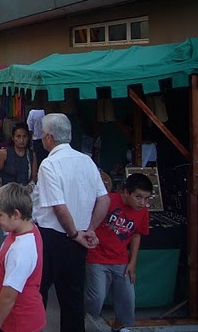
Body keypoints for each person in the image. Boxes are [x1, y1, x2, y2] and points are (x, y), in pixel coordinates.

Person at [34, 113, 110, 332]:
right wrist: (89, 230)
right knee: (73, 298)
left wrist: (75, 233)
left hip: (54, 237)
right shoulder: (86, 160)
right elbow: (103, 199)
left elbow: (59, 206)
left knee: (39, 292)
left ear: (49, 137)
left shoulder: (50, 165)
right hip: (79, 236)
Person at [86, 173, 153, 332]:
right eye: (138, 197)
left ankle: (119, 327)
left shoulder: (143, 212)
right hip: (97, 257)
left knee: (128, 299)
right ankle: (85, 320)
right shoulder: (107, 200)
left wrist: (133, 262)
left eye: (146, 199)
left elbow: (137, 235)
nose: (142, 203)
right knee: (96, 297)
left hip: (121, 260)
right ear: (126, 192)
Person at [0, 183, 46, 332]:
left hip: (18, 324)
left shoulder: (21, 250)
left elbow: (8, 297)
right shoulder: (24, 229)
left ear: (16, 214)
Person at [0, 123, 38, 190]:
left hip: (25, 194)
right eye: (18, 136)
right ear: (13, 137)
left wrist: (30, 187)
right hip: (7, 194)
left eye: (24, 136)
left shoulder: (31, 155)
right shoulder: (4, 154)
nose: (21, 140)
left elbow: (34, 177)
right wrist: (2, 190)